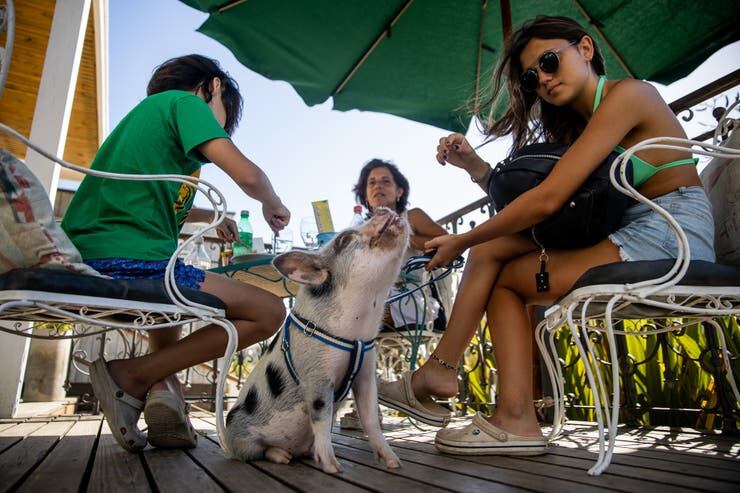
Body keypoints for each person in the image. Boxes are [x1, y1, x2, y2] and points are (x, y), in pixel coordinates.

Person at [377, 15, 715, 456]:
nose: (544, 79)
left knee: (499, 269)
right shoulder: (582, 125)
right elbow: (561, 209)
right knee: (495, 251)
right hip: (632, 225)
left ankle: (491, 403)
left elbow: (548, 201)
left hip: (672, 233)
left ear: (587, 50)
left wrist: (463, 240)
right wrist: (478, 169)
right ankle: (454, 380)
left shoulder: (631, 95)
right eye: (533, 77)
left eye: (551, 61)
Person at [62, 54, 291, 452]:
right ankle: (131, 375)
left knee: (172, 288)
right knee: (269, 311)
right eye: (224, 117)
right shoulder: (185, 103)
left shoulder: (147, 118)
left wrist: (208, 215)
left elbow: (147, 195)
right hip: (132, 262)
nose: (220, 127)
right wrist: (272, 202)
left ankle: (165, 397)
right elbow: (249, 176)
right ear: (214, 86)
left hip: (90, 255)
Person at [340, 158, 449, 429]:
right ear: (364, 194)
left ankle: (368, 403)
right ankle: (368, 402)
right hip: (375, 301)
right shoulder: (361, 230)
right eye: (372, 183)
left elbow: (448, 246)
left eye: (386, 181)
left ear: (399, 191)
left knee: (356, 321)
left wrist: (402, 235)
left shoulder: (413, 217)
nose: (378, 186)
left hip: (412, 299)